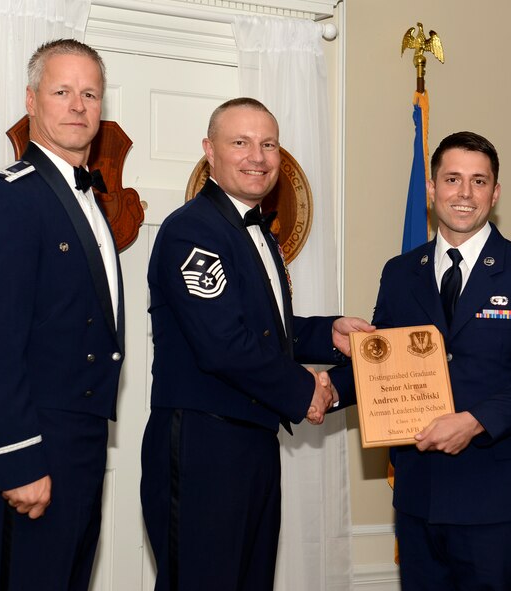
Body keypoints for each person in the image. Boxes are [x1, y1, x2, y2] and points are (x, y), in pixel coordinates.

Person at [141, 97, 372, 591]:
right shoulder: (192, 231)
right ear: (209, 151)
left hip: (252, 441)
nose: (257, 156)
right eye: (240, 143)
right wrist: (304, 390)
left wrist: (327, 333)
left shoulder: (256, 233)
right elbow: (223, 343)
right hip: (204, 444)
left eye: (268, 144)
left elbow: (262, 328)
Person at [359, 131, 511, 590]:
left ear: (495, 194)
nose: (464, 193)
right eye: (452, 179)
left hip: (496, 501)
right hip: (419, 497)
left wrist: (474, 421)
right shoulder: (400, 273)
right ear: (431, 189)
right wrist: (321, 390)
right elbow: (380, 363)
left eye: (479, 182)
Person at [0, 39, 123, 589]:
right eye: (62, 91)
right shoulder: (9, 198)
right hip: (31, 442)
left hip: (79, 442)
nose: (78, 105)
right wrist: (18, 459)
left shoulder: (90, 201)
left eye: (90, 93)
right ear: (31, 102)